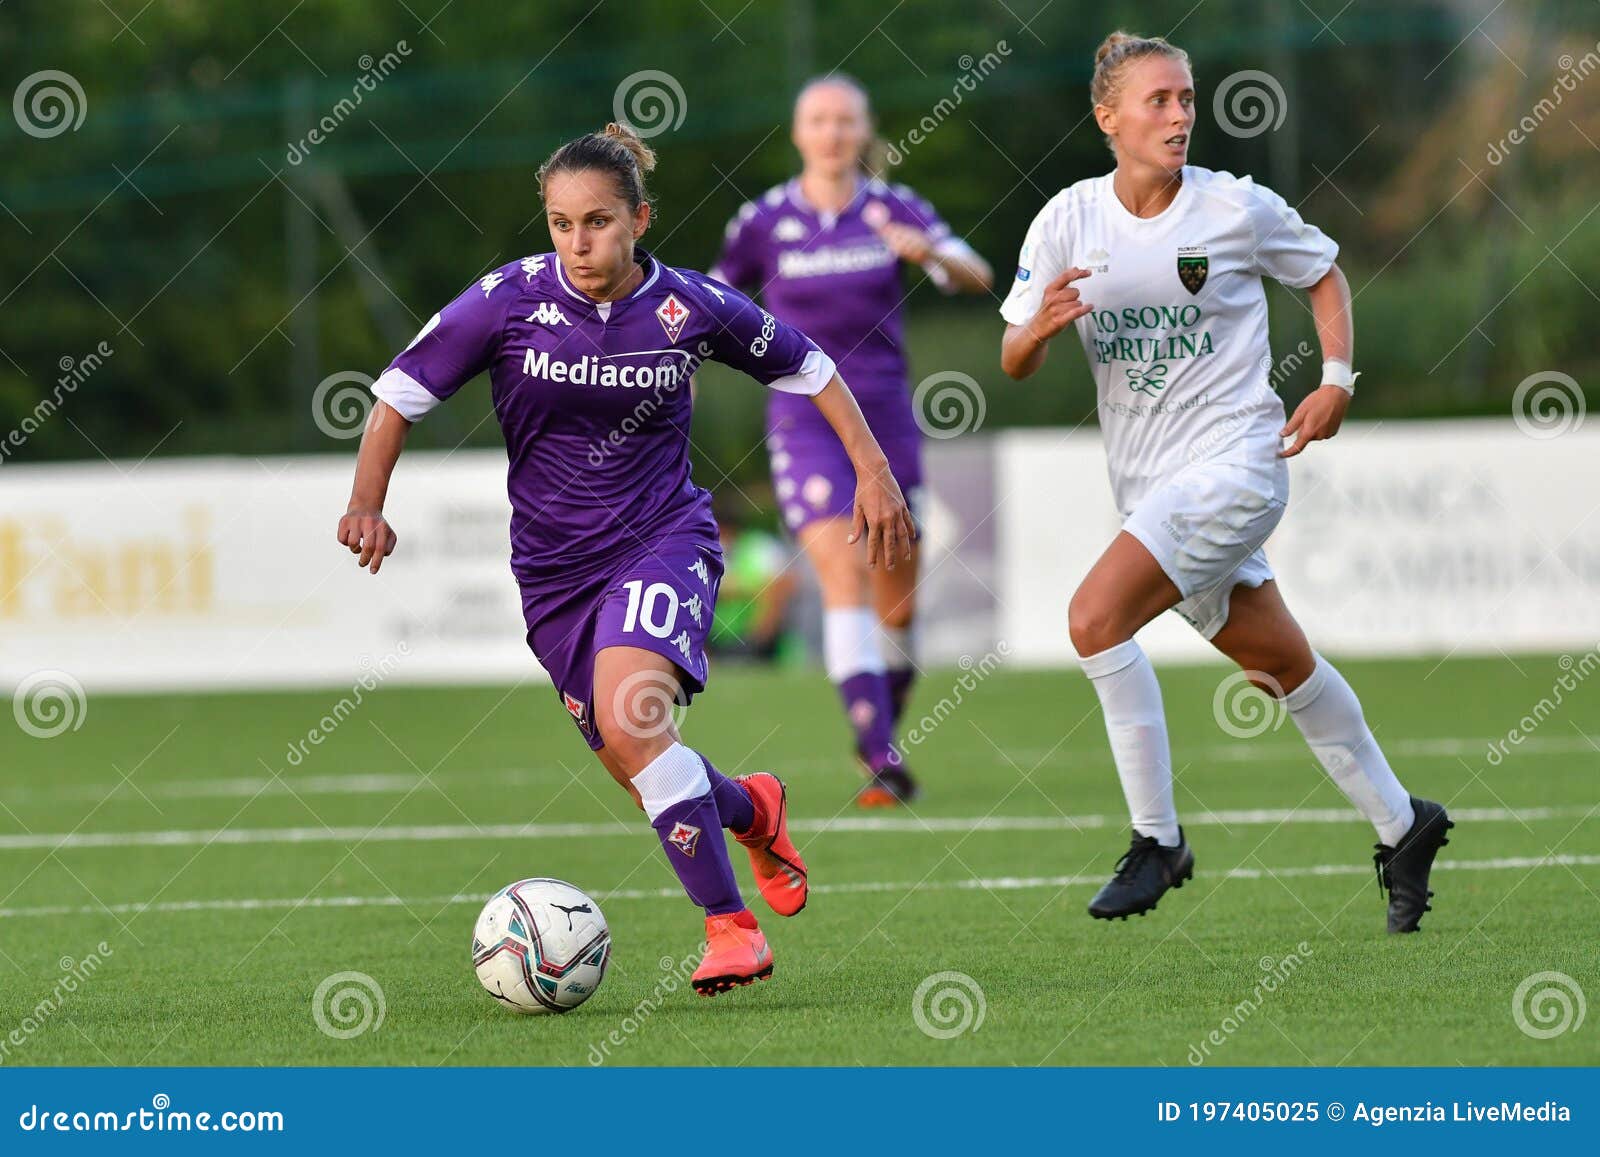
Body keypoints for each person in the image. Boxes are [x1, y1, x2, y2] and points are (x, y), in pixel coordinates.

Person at [337, 123, 915, 994]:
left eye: (598, 222)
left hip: (662, 539)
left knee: (634, 716)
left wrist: (872, 471)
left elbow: (810, 365)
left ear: (639, 219)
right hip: (554, 576)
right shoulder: (505, 300)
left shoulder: (688, 306)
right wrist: (366, 503)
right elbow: (397, 395)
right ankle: (754, 808)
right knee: (636, 757)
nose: (579, 242)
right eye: (562, 224)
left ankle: (731, 929)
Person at [999, 32, 1452, 933]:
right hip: (1149, 487)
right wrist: (1041, 327)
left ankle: (1157, 840)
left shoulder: (1233, 207)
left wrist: (1335, 381)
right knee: (1282, 664)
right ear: (1108, 118)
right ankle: (1406, 825)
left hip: (1241, 464)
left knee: (1092, 619)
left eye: (1186, 99)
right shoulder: (1067, 220)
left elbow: (1323, 272)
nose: (1179, 116)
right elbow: (1010, 358)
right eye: (1158, 101)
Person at [711, 74, 993, 807]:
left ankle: (879, 734)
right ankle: (879, 752)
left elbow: (977, 273)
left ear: (864, 132)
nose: (832, 132)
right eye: (818, 120)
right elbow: (716, 298)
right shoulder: (765, 220)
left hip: (886, 419)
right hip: (805, 421)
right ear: (799, 133)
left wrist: (926, 252)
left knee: (898, 593)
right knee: (842, 573)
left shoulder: (892, 208)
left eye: (845, 120)